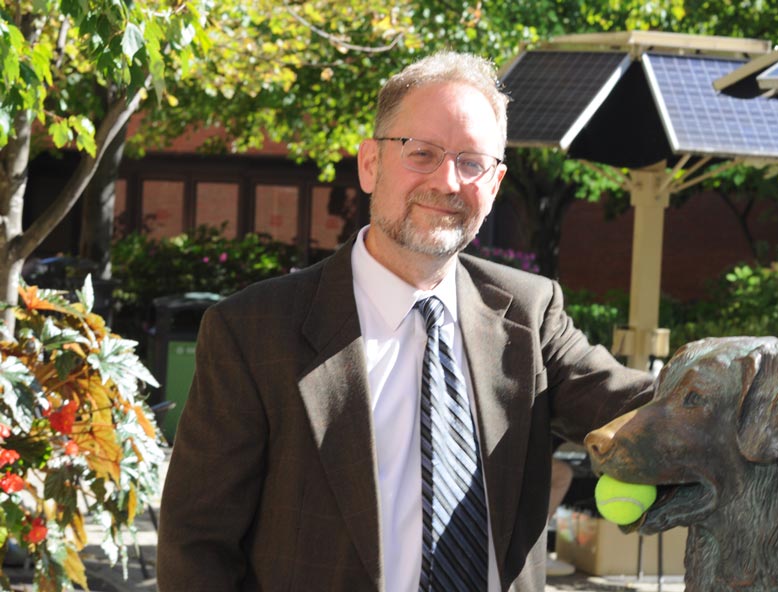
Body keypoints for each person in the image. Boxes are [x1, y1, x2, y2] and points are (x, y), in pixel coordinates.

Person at [157, 51, 653, 591]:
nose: (447, 181)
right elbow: (197, 545)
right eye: (422, 153)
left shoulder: (529, 315)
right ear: (370, 164)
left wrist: (751, 379)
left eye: (471, 162)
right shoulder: (253, 331)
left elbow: (639, 405)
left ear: (495, 183)